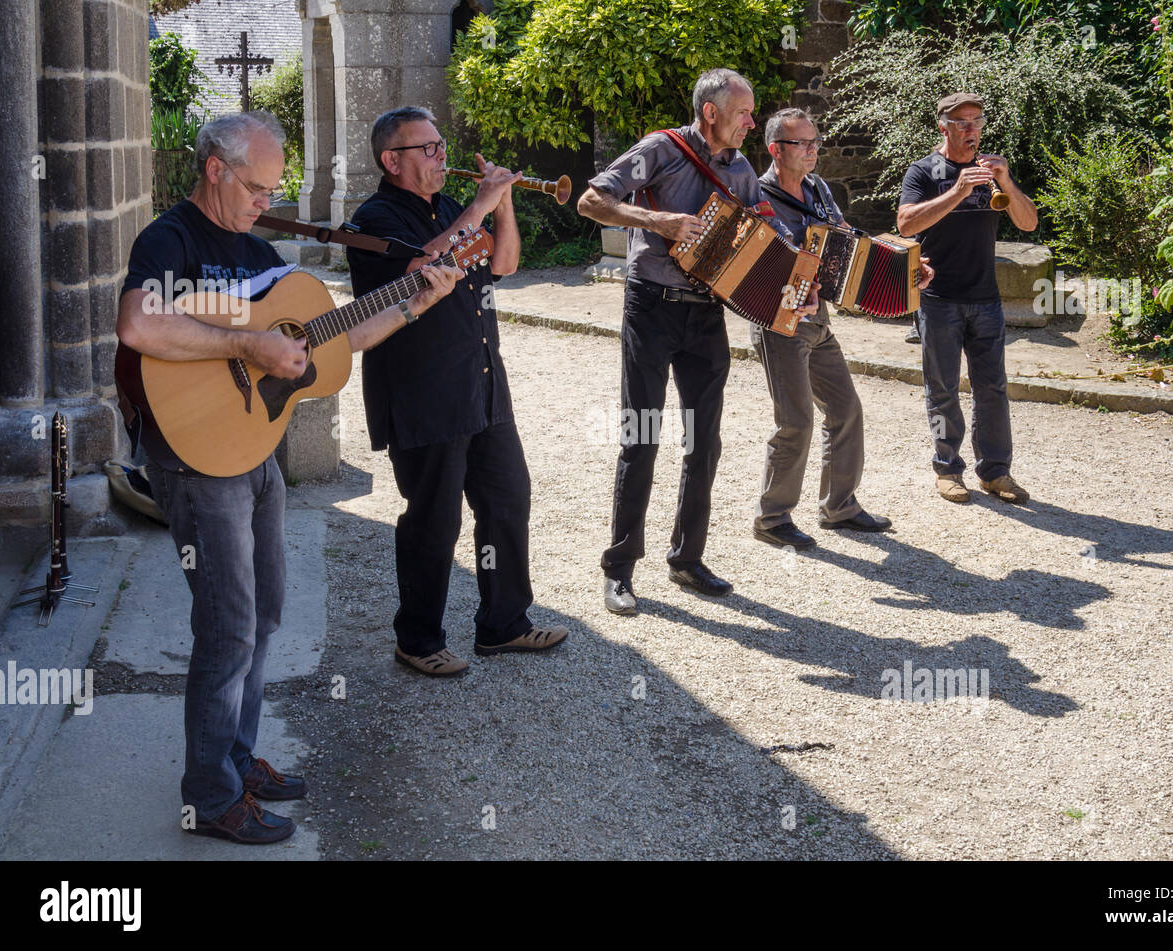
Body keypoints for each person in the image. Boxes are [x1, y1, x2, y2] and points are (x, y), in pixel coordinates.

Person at [116, 112, 462, 844]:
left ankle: (235, 757)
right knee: (227, 625)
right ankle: (211, 795)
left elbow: (337, 337)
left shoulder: (259, 250)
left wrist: (414, 300)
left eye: (273, 188)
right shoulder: (169, 239)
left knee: (265, 613)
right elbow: (139, 327)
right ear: (214, 169)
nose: (262, 201)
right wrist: (245, 341)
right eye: (253, 186)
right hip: (195, 454)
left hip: (255, 447)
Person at [578, 68, 813, 616]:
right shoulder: (660, 149)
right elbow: (592, 201)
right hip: (651, 309)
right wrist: (656, 220)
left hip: (708, 316)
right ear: (711, 112)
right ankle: (619, 569)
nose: (752, 123)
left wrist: (797, 285)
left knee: (703, 442)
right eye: (743, 113)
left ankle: (687, 558)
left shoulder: (743, 173)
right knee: (642, 438)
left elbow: (772, 239)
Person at [346, 106, 568, 677]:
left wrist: (505, 202)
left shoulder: (450, 207)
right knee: (433, 518)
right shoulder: (371, 220)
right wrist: (480, 206)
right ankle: (417, 639)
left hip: (483, 384)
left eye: (442, 145)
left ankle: (504, 624)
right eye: (428, 149)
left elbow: (505, 263)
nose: (442, 156)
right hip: (423, 395)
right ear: (391, 160)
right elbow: (422, 268)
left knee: (507, 499)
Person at [751, 108, 934, 549]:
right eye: (803, 144)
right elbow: (762, 260)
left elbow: (846, 236)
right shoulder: (756, 195)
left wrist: (905, 264)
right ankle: (772, 519)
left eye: (816, 141)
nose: (814, 150)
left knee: (846, 410)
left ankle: (839, 506)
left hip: (817, 322)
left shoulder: (817, 187)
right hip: (779, 324)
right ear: (777, 149)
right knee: (795, 423)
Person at [897, 92, 1038, 505]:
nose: (972, 128)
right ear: (943, 126)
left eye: (977, 120)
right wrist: (958, 191)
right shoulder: (924, 171)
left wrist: (1006, 181)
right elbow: (905, 225)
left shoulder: (992, 171)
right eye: (962, 122)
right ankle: (947, 469)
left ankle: (995, 472)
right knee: (941, 388)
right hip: (938, 298)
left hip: (986, 298)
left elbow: (1028, 224)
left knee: (992, 387)